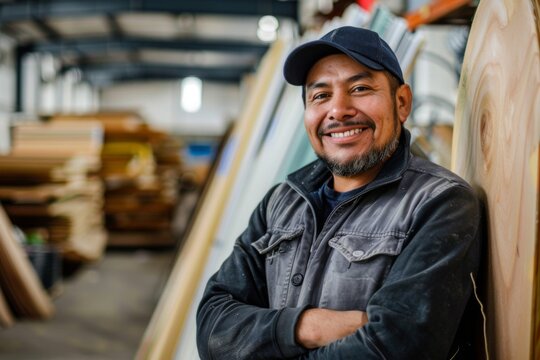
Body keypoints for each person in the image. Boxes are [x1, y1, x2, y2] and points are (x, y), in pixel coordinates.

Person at [196, 26, 482, 359]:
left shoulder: (440, 204)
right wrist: (308, 326)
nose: (338, 110)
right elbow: (212, 328)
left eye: (360, 88)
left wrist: (263, 344)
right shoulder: (281, 203)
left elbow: (393, 349)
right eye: (320, 95)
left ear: (401, 102)